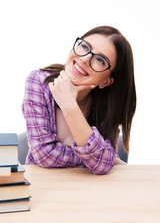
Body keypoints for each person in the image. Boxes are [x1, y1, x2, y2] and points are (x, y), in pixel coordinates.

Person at [21, 26, 136, 175]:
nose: (84, 59)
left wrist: (70, 106)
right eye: (84, 46)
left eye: (100, 60)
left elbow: (103, 164)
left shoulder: (106, 105)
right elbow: (45, 156)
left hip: (89, 190)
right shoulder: (39, 82)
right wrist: (98, 159)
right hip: (43, 187)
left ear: (107, 81)